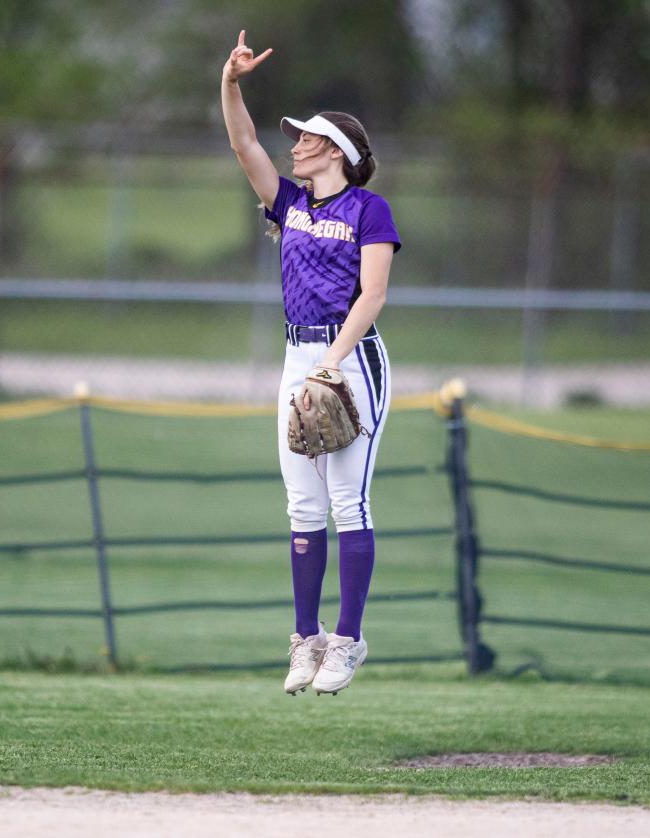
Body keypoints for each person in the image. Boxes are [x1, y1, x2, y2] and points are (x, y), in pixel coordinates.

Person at [221, 30, 401, 695]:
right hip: (298, 353)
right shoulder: (291, 205)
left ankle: (348, 641)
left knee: (347, 500)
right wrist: (231, 83)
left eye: (307, 137)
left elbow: (374, 294)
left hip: (351, 356)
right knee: (303, 504)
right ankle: (307, 640)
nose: (293, 143)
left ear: (337, 152)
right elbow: (243, 145)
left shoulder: (368, 209)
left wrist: (333, 362)